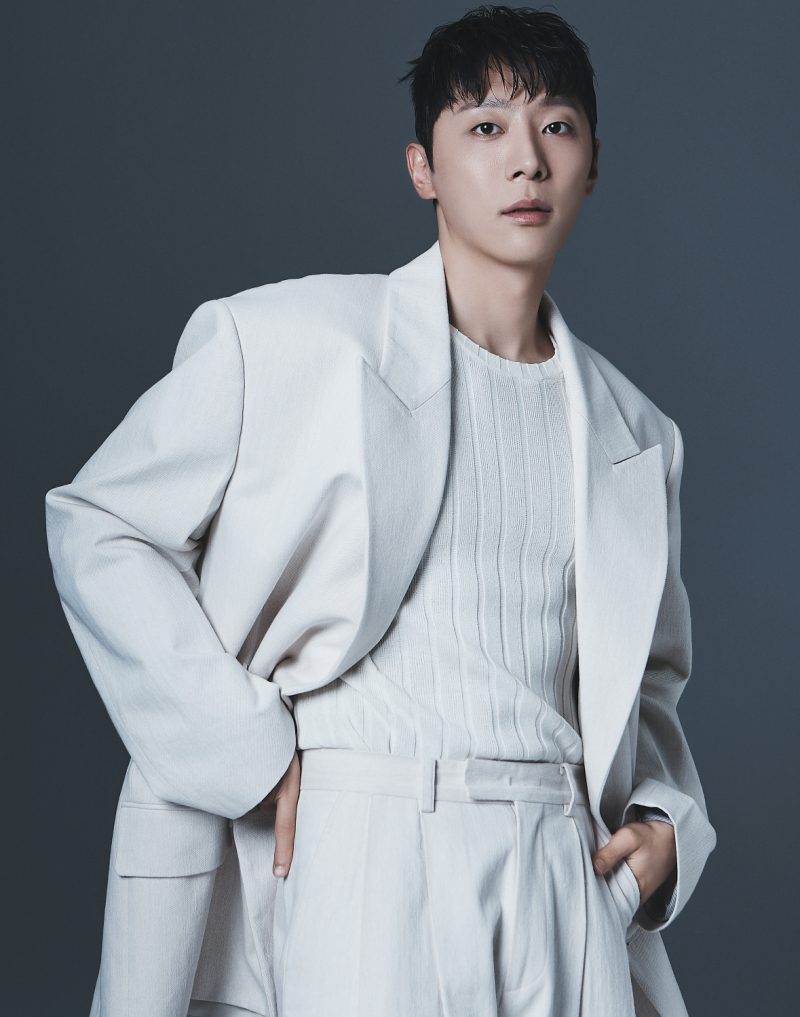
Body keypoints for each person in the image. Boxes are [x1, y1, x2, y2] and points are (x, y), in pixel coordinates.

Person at [45, 6, 716, 1017]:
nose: (526, 160)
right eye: (484, 127)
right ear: (423, 169)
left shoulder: (637, 432)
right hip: (365, 841)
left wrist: (665, 824)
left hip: (562, 864)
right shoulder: (289, 341)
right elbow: (99, 522)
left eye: (557, 126)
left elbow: (645, 684)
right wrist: (244, 751)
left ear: (590, 166)